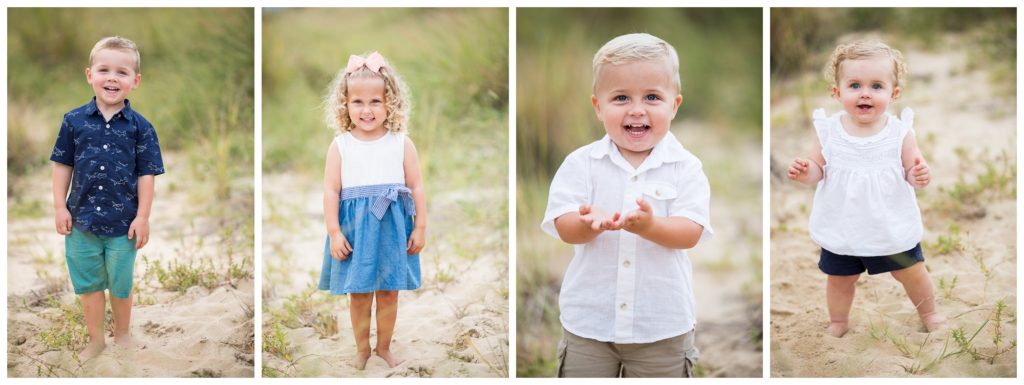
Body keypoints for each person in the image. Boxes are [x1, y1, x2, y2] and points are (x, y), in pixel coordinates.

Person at [541, 33, 712, 377]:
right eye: (621, 98)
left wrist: (652, 227)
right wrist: (586, 224)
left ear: (674, 105)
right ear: (598, 107)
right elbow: (562, 224)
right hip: (589, 322)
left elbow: (691, 231)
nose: (637, 109)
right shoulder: (581, 163)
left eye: (652, 97)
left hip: (661, 325)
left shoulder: (685, 166)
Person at [787, 40, 944, 337]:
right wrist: (806, 171)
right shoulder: (828, 130)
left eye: (876, 86)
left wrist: (919, 174)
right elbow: (818, 169)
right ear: (837, 92)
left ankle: (930, 312)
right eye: (855, 85)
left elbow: (912, 170)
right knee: (839, 279)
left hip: (888, 223)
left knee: (910, 271)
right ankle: (839, 321)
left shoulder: (900, 132)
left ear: (893, 93)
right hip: (843, 223)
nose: (865, 93)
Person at [51, 36, 165, 361]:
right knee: (88, 284)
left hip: (122, 224)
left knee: (120, 283)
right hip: (81, 221)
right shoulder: (73, 121)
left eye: (122, 72)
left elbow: (146, 175)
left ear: (135, 81)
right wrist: (60, 206)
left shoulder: (141, 128)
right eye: (104, 70)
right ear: (90, 75)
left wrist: (142, 216)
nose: (112, 78)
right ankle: (96, 339)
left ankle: (124, 334)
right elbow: (63, 164)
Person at [318, 52, 427, 370]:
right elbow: (330, 190)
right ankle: (362, 349)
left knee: (390, 292)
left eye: (376, 101)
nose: (367, 110)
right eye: (358, 102)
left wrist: (419, 227)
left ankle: (384, 347)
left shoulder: (401, 143)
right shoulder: (341, 146)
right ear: (345, 104)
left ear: (390, 102)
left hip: (392, 228)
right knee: (360, 294)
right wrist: (334, 231)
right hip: (355, 231)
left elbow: (417, 186)